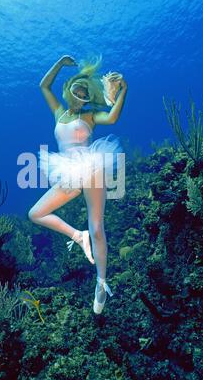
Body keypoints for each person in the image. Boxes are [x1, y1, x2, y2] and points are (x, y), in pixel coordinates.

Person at [28, 54, 128, 314]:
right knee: (36, 213)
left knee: (97, 226)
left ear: (87, 97)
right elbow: (43, 86)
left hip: (92, 167)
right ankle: (77, 235)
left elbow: (114, 118)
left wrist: (122, 92)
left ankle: (101, 282)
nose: (80, 94)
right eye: (77, 89)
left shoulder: (91, 115)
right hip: (68, 172)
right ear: (69, 89)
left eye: (85, 92)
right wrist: (59, 64)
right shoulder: (58, 112)